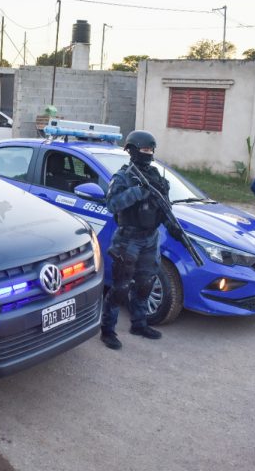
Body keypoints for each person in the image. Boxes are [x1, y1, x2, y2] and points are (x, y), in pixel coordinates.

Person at [100, 130, 184, 349]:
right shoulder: (123, 177)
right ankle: (107, 330)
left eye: (150, 150)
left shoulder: (155, 175)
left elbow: (164, 207)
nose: (148, 154)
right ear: (132, 151)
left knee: (146, 284)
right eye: (144, 150)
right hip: (127, 240)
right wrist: (138, 191)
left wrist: (172, 227)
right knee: (120, 288)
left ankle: (139, 323)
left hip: (150, 238)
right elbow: (112, 204)